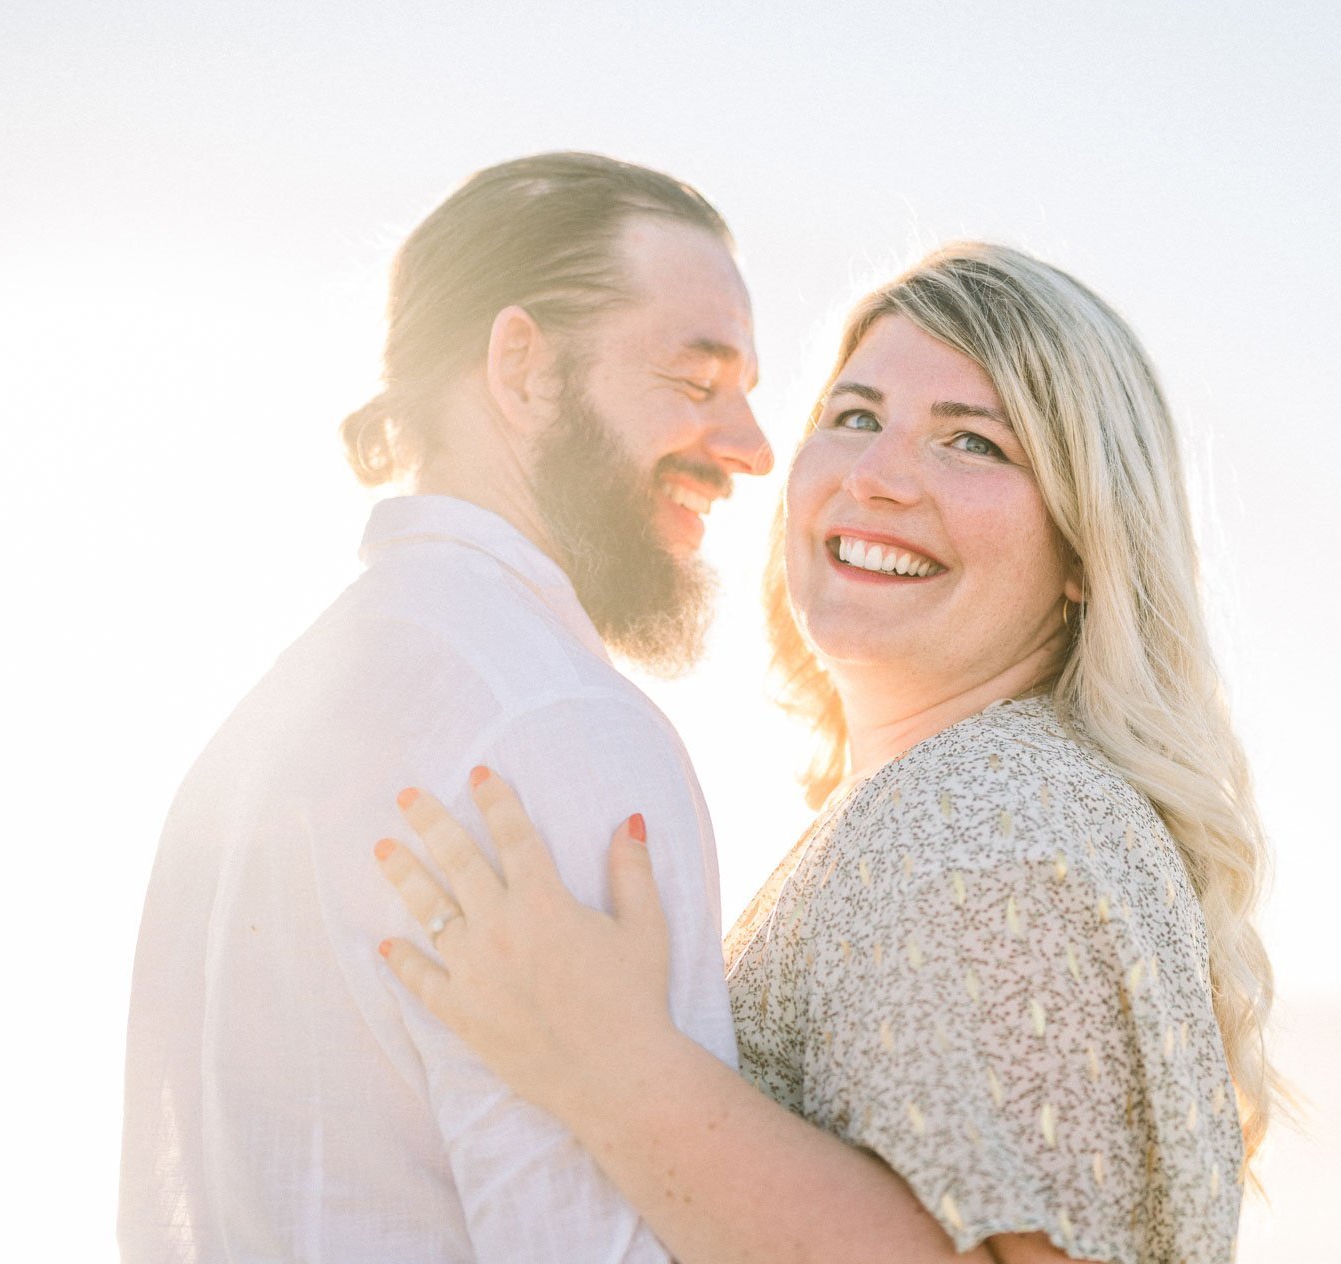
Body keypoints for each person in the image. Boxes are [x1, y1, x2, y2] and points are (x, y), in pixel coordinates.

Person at [375, 242, 1279, 1264]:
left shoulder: (988, 819)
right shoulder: (980, 805)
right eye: (853, 417)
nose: (878, 476)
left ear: (1085, 545)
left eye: (973, 442)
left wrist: (608, 1061)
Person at [120, 152, 772, 1262]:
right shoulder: (558, 728)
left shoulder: (255, 738)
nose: (752, 448)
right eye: (695, 382)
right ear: (521, 365)